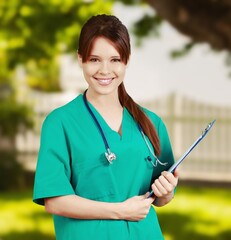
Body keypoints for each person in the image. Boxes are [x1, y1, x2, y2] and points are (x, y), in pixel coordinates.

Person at [33, 14, 179, 240]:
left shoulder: (150, 123)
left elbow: (161, 199)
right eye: (94, 59)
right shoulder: (59, 123)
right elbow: (54, 201)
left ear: (126, 60)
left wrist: (166, 192)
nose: (104, 70)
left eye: (114, 60)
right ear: (80, 58)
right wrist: (121, 211)